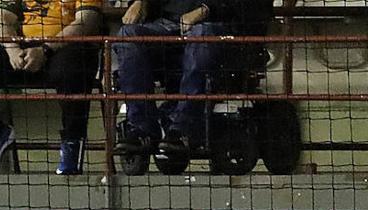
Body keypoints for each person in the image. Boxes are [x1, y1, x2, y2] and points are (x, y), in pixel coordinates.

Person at [0, 0, 103, 175]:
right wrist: (12, 48)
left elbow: (86, 21)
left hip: (68, 46)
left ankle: (72, 140)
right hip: (22, 48)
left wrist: (46, 50)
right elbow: (2, 19)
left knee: (71, 71)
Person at [114, 0, 267, 161]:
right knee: (127, 36)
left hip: (220, 25)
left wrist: (205, 10)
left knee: (201, 34)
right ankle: (141, 129)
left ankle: (182, 129)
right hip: (168, 24)